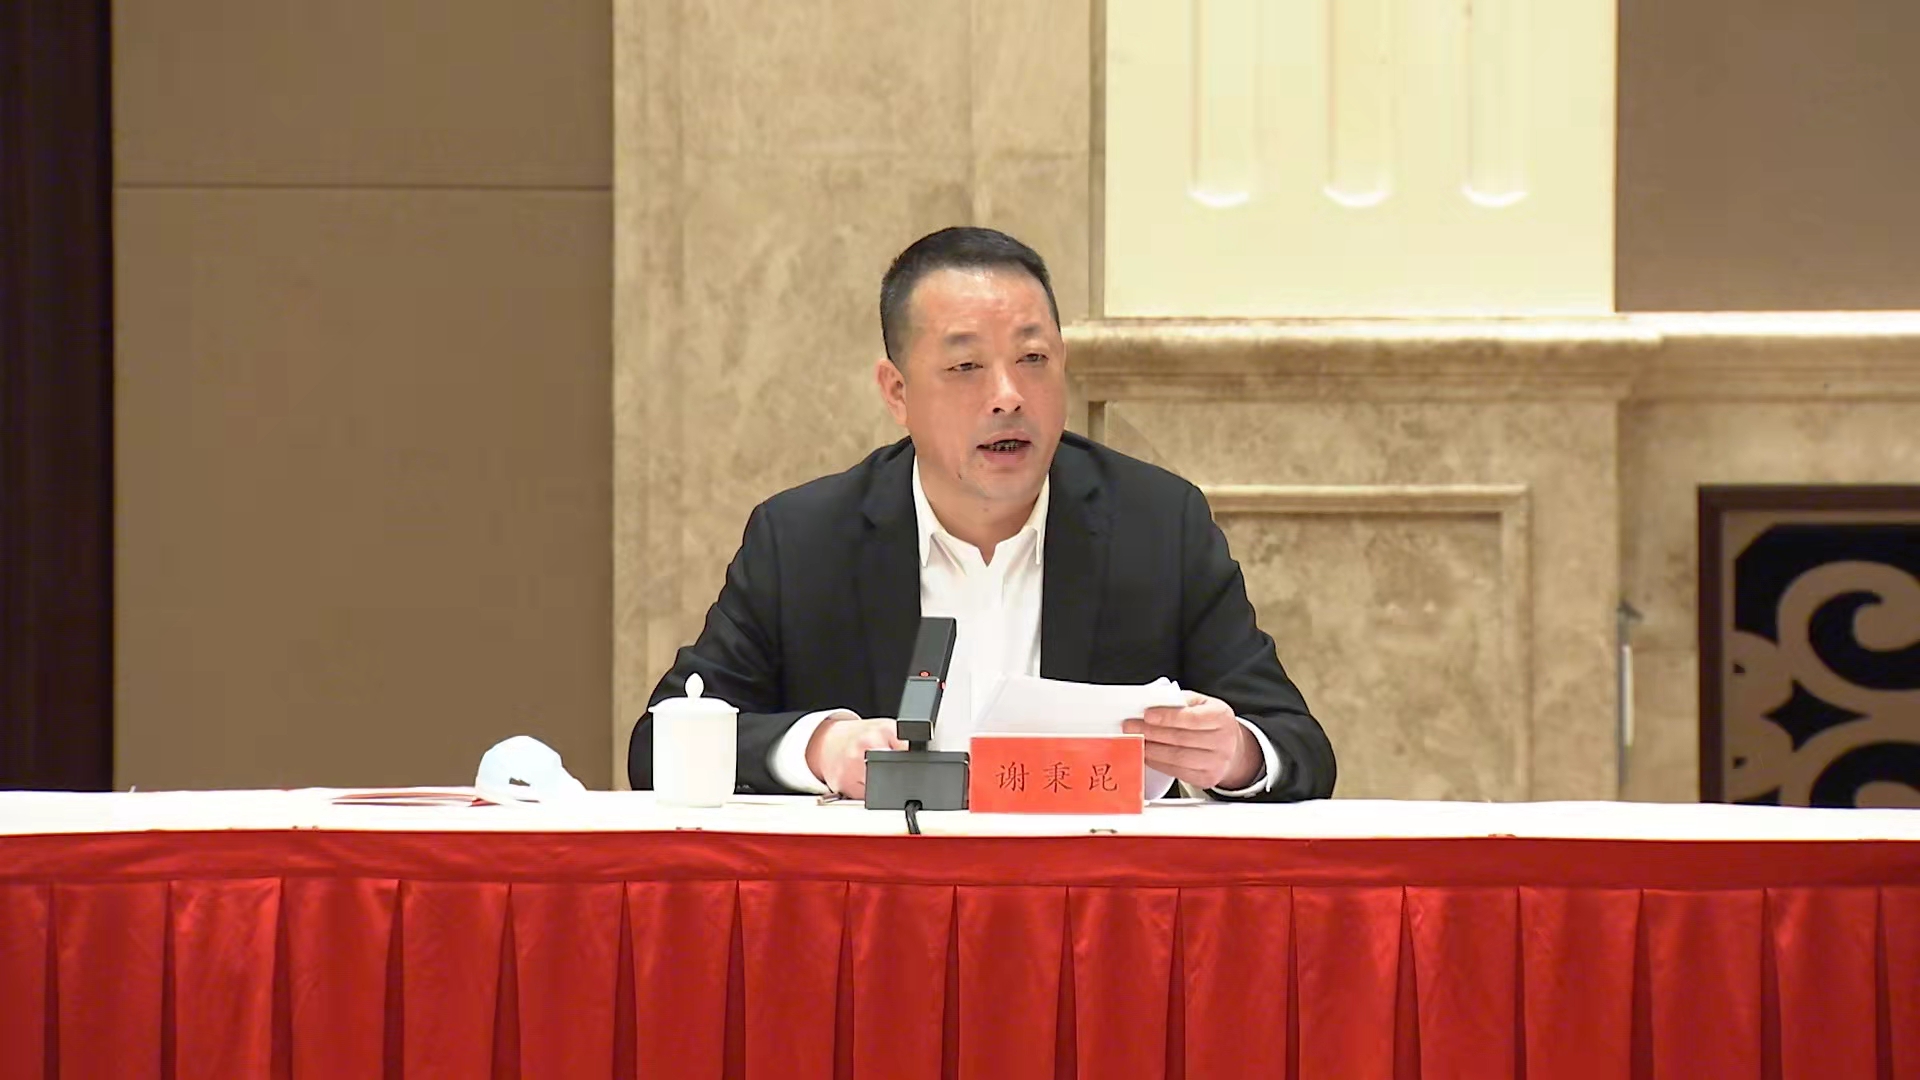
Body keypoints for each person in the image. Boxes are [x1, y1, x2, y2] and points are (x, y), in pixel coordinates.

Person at [629, 226, 1334, 802]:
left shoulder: (1157, 525)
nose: (1008, 395)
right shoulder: (805, 540)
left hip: (1088, 907)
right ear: (897, 392)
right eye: (966, 367)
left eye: (1033, 358)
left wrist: (1233, 754)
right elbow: (657, 743)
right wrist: (822, 748)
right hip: (885, 907)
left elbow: (1296, 745)